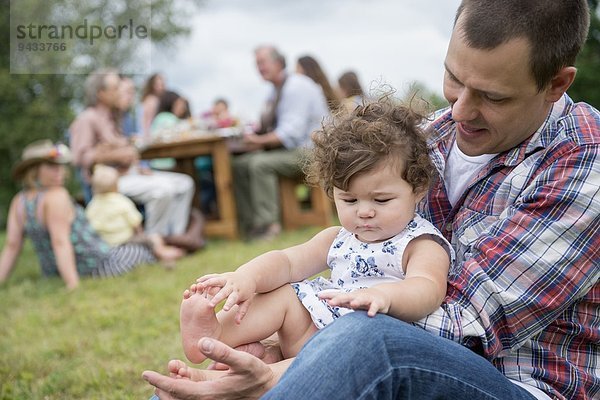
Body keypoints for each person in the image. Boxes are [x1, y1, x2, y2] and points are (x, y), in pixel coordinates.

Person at [143, 1, 599, 399]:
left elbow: (468, 328)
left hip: (514, 382)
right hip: (361, 341)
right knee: (249, 358)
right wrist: (280, 336)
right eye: (454, 78)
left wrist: (289, 368)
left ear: (557, 83)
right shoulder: (420, 141)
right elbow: (328, 249)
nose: (459, 109)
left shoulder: (583, 160)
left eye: (492, 96)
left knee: (369, 342)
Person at [179, 99, 453, 364]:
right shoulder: (338, 238)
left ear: (417, 190)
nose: (364, 211)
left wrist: (384, 297)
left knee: (305, 361)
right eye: (349, 200)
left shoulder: (420, 243)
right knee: (283, 294)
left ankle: (265, 367)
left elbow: (428, 288)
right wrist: (246, 277)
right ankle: (215, 335)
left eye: (381, 200)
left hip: (372, 345)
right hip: (317, 332)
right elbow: (287, 262)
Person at [0, 140, 158, 291]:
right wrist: (72, 283)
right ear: (34, 171)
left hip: (52, 272)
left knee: (139, 243)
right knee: (144, 250)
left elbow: (12, 246)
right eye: (51, 166)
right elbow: (60, 242)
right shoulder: (56, 196)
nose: (59, 172)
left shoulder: (19, 201)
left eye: (60, 166)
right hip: (96, 266)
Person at [69, 69, 195, 238]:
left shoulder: (114, 118)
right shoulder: (87, 119)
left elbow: (120, 149)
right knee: (162, 191)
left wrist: (135, 163)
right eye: (115, 88)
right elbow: (79, 158)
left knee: (185, 183)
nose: (120, 91)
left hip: (131, 174)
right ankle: (155, 240)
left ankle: (175, 235)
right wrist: (116, 155)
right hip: (111, 182)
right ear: (101, 93)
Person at [232, 45, 329, 240]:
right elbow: (267, 126)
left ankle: (269, 226)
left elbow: (289, 133)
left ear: (278, 63)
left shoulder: (296, 86)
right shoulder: (274, 91)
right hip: (291, 150)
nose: (259, 68)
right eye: (257, 64)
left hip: (311, 151)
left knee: (259, 164)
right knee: (238, 165)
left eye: (262, 63)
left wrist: (258, 141)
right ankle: (251, 224)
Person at [85, 164, 185, 265]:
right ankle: (162, 253)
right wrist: (141, 235)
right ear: (116, 185)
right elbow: (136, 222)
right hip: (125, 240)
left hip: (106, 243)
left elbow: (89, 224)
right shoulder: (121, 201)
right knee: (151, 239)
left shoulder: (92, 205)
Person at [140, 73, 166, 140]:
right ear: (152, 86)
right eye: (159, 85)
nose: (162, 87)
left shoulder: (148, 99)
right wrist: (147, 137)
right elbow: (147, 121)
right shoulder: (152, 100)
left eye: (163, 84)